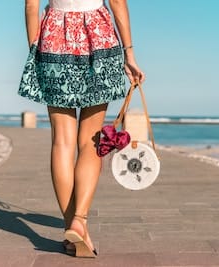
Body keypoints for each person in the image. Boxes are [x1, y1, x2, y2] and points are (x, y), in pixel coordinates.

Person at [18, 0, 145, 258]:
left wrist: (35, 50)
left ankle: (71, 230)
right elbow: (117, 2)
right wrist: (129, 54)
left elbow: (31, 7)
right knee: (90, 141)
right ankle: (80, 219)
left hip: (52, 36)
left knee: (62, 143)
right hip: (99, 37)